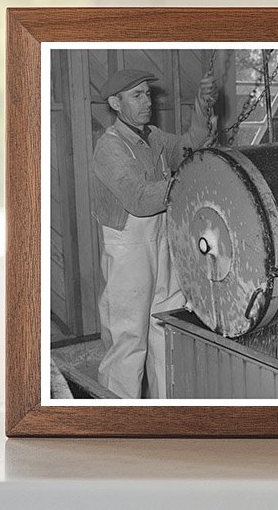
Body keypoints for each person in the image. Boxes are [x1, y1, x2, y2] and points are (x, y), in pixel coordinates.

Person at [91, 68, 218, 398]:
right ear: (115, 103)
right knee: (129, 338)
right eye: (137, 96)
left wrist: (203, 107)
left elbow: (190, 147)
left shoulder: (154, 137)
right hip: (129, 249)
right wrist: (188, 184)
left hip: (163, 242)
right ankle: (117, 422)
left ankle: (162, 413)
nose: (147, 101)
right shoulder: (110, 148)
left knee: (165, 330)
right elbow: (139, 199)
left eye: (147, 94)